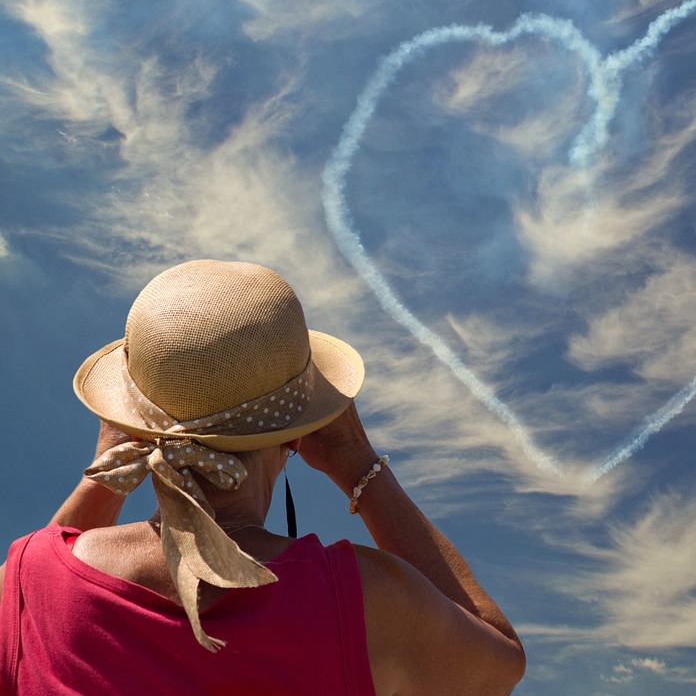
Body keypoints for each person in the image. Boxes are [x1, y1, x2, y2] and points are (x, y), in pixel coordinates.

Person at [0, 260, 526, 694]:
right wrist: (359, 463)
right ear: (300, 435)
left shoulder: (31, 581)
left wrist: (104, 475)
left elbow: (26, 599)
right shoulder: (368, 602)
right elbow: (500, 661)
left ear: (128, 426)